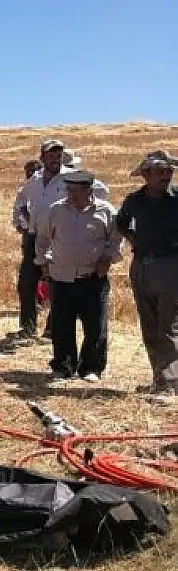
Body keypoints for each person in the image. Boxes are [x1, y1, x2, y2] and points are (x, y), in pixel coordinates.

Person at [10, 139, 109, 342]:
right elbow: (20, 199)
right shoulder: (35, 179)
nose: (56, 159)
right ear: (42, 157)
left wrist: (80, 208)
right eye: (51, 155)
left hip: (60, 236)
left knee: (57, 284)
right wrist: (20, 219)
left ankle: (51, 330)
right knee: (26, 283)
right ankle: (28, 328)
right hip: (34, 236)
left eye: (58, 155)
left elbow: (101, 191)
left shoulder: (70, 177)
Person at [34, 170, 123, 383]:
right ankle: (63, 367)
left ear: (89, 191)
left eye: (77, 191)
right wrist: (44, 261)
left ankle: (91, 368)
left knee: (95, 326)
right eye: (69, 190)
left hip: (92, 277)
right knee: (62, 325)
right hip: (61, 276)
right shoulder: (56, 210)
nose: (71, 196)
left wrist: (107, 258)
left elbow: (116, 239)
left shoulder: (106, 211)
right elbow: (43, 238)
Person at [115, 150, 178, 403]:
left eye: (169, 171)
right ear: (145, 175)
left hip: (171, 266)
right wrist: (133, 239)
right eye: (160, 171)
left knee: (169, 325)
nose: (167, 175)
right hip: (141, 265)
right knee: (149, 324)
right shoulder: (134, 200)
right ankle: (160, 379)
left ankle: (172, 383)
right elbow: (121, 222)